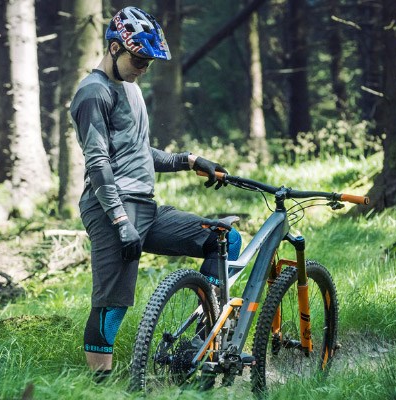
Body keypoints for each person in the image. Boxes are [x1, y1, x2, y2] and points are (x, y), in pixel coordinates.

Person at [70, 6, 242, 382]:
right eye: (139, 58)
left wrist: (190, 160)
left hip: (145, 206)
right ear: (114, 48)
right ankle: (100, 387)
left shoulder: (129, 88)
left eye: (149, 62)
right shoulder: (92, 93)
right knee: (112, 303)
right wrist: (119, 221)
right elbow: (98, 162)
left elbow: (137, 152)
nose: (144, 67)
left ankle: (199, 346)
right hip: (110, 207)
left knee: (223, 239)